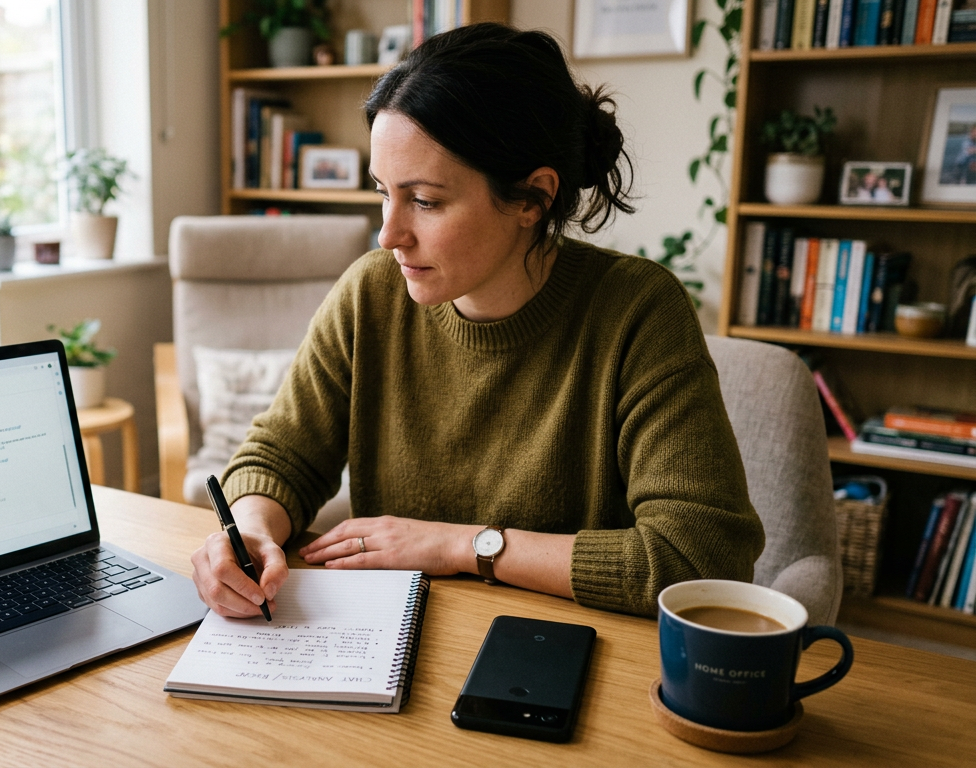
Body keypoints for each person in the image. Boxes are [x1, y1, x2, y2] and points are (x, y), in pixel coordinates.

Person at [190, 23, 765, 620]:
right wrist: (251, 529)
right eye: (384, 192)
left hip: (569, 656)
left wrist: (460, 545)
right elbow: (281, 457)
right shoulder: (370, 293)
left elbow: (702, 557)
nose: (389, 234)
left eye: (426, 201)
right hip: (395, 639)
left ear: (531, 198)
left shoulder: (637, 311)